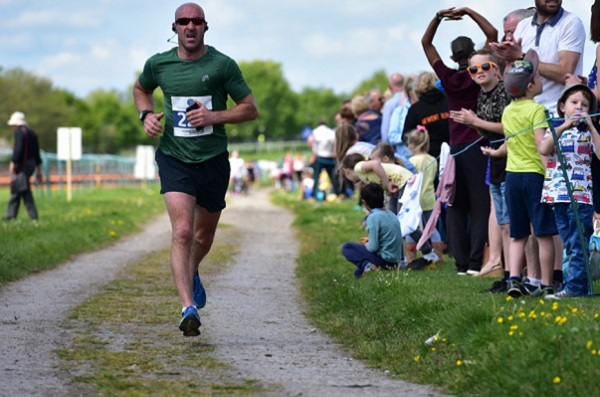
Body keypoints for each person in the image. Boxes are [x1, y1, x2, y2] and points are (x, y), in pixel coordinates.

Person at [132, 2, 258, 337]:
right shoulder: (159, 64)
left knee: (203, 235)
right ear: (174, 28)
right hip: (174, 158)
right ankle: (188, 308)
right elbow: (141, 88)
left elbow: (250, 109)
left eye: (196, 21)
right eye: (183, 21)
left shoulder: (222, 65)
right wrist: (146, 115)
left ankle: (193, 269)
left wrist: (214, 116)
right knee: (184, 232)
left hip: (213, 159)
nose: (190, 26)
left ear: (205, 27)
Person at [422, 6, 497, 275]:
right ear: (474, 54)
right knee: (480, 205)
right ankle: (476, 263)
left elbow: (426, 43)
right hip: (479, 142)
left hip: (455, 148)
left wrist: (438, 18)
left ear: (453, 56)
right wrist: (469, 11)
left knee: (453, 204)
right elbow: (492, 33)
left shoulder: (449, 78)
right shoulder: (479, 73)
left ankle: (461, 263)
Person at [449, 49, 511, 280]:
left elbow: (510, 126)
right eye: (473, 69)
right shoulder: (481, 95)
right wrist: (473, 125)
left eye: (484, 67)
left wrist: (475, 121)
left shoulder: (504, 91)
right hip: (494, 154)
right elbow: (487, 128)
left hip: (512, 154)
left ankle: (511, 269)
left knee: (507, 213)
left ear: (496, 69)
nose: (478, 72)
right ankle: (500, 266)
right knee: (499, 212)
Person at [501, 49, 557, 297]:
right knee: (544, 234)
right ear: (532, 85)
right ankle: (546, 284)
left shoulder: (507, 111)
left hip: (512, 176)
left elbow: (509, 142)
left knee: (518, 234)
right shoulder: (537, 110)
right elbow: (540, 145)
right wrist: (551, 175)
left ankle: (513, 279)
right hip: (534, 176)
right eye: (538, 77)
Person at [540, 84, 600, 299]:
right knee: (570, 242)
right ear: (562, 106)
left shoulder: (588, 134)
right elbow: (544, 149)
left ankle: (574, 288)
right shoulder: (555, 128)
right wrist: (564, 126)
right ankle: (577, 285)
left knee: (578, 242)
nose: (579, 107)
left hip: (581, 197)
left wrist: (592, 128)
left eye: (585, 105)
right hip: (558, 194)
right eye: (574, 103)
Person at [490, 0, 586, 115]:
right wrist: (508, 58)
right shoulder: (523, 25)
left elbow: (565, 74)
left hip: (557, 116)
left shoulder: (571, 22)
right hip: (525, 115)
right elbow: (512, 78)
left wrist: (520, 56)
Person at [341, 183, 403, 278]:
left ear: (364, 202)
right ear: (383, 199)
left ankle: (370, 267)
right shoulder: (391, 214)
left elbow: (373, 247)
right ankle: (367, 268)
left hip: (385, 260)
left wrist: (366, 244)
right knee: (358, 273)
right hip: (395, 261)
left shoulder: (373, 217)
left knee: (347, 247)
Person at [404, 126, 444, 265]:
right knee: (431, 228)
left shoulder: (413, 161)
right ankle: (439, 256)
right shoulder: (432, 159)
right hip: (429, 197)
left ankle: (411, 257)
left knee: (411, 226)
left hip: (415, 199)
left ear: (413, 145)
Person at [3, 111, 44, 221]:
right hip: (31, 165)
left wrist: (13, 162)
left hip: (22, 165)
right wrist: (39, 170)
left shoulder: (20, 133)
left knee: (20, 189)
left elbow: (18, 149)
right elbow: (37, 153)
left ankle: (30, 216)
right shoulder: (32, 133)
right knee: (20, 189)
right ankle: (13, 215)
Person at [307, 121, 340, 200]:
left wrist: (313, 152)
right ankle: (337, 192)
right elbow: (335, 142)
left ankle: (314, 194)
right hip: (329, 156)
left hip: (319, 156)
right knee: (332, 176)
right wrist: (334, 153)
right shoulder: (330, 131)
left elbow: (310, 141)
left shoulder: (315, 131)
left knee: (316, 176)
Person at [381, 73, 406, 143]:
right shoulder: (412, 100)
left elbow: (385, 134)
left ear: (389, 86)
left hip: (398, 150)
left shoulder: (389, 105)